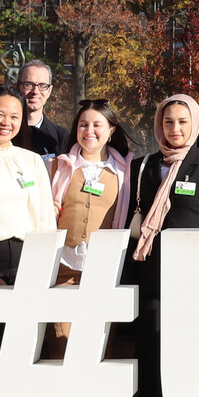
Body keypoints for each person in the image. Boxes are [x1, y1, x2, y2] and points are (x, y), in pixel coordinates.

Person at [126, 94, 199, 397]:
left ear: (194, 124)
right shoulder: (143, 166)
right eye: (168, 122)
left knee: (194, 354)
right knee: (152, 353)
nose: (175, 129)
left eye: (182, 122)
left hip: (195, 281)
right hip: (152, 276)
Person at [0, 85, 56, 286]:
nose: (6, 123)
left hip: (28, 262)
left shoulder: (32, 160)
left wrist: (45, 266)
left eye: (14, 117)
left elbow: (45, 220)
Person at [51, 101, 135, 279]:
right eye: (83, 125)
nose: (89, 131)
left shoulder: (125, 171)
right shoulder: (57, 167)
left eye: (97, 125)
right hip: (60, 265)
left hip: (104, 267)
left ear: (111, 130)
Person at [14, 59, 68, 156]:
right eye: (29, 84)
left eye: (43, 85)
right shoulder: (4, 133)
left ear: (49, 91)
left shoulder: (62, 138)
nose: (35, 91)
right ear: (17, 87)